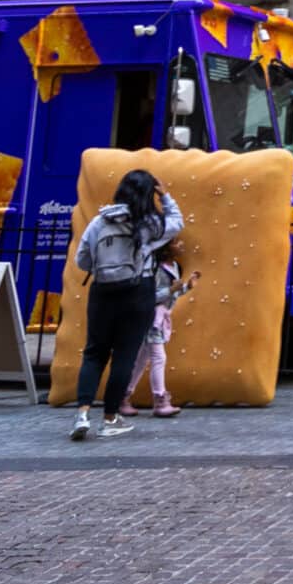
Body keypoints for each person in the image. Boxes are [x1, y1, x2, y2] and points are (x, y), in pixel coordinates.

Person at [69, 168, 183, 440]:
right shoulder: (149, 225)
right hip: (137, 293)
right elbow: (177, 223)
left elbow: (82, 260)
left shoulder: (100, 221)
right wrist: (165, 195)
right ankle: (110, 418)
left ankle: (82, 414)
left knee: (94, 353)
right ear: (148, 194)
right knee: (124, 356)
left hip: (102, 292)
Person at [120, 250, 197, 419]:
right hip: (151, 317)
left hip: (160, 318)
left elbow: (172, 293)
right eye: (176, 242)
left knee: (142, 359)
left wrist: (186, 287)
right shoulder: (155, 268)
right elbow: (149, 297)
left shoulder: (174, 266)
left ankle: (123, 396)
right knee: (158, 357)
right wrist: (170, 290)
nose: (181, 244)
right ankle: (160, 400)